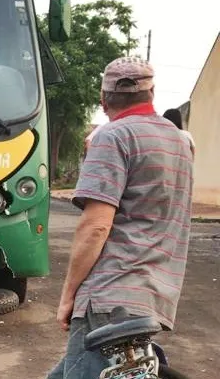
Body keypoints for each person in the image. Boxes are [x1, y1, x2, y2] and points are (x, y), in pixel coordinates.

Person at [47, 56, 193, 379]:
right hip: (154, 298)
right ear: (151, 94)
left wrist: (68, 296)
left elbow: (96, 226)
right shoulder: (180, 143)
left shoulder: (111, 136)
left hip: (109, 298)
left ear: (103, 101)